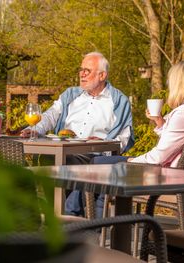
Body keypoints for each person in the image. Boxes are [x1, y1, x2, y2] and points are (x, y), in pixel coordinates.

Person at [21, 51, 134, 216]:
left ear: (102, 75)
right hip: (65, 151)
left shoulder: (118, 100)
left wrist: (103, 143)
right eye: (81, 70)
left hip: (95, 156)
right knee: (47, 158)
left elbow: (124, 137)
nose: (82, 74)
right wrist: (35, 129)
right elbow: (51, 115)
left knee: (78, 165)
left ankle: (67, 214)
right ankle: (59, 211)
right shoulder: (70, 95)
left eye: (87, 71)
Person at [94, 59, 184, 166]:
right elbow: (181, 139)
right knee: (103, 163)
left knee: (96, 162)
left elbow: (158, 158)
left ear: (179, 84)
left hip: (166, 178)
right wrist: (160, 122)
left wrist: (131, 161)